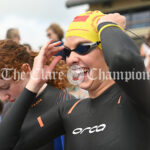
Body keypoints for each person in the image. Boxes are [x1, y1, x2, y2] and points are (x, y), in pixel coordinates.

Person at [0, 11, 150, 150]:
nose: (71, 59)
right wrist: (33, 83)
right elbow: (6, 144)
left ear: (106, 50)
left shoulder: (136, 97)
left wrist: (108, 25)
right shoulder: (69, 110)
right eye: (67, 52)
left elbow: (122, 58)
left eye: (82, 48)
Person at [0, 39, 76, 150]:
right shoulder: (7, 110)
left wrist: (33, 86)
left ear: (25, 69)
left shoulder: (64, 102)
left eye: (5, 87)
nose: (3, 97)